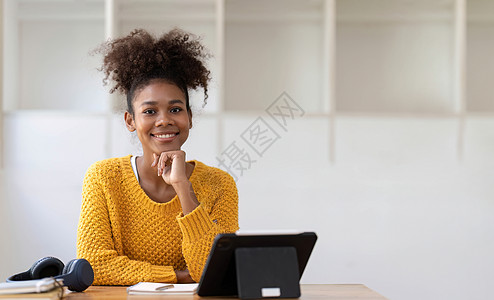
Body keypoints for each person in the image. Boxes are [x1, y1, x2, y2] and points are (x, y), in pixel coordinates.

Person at [76, 28, 239, 285]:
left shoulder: (220, 185)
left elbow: (214, 271)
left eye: (175, 109)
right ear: (131, 120)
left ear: (189, 118)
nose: (164, 120)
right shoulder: (103, 177)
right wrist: (175, 276)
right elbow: (93, 264)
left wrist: (184, 189)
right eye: (150, 111)